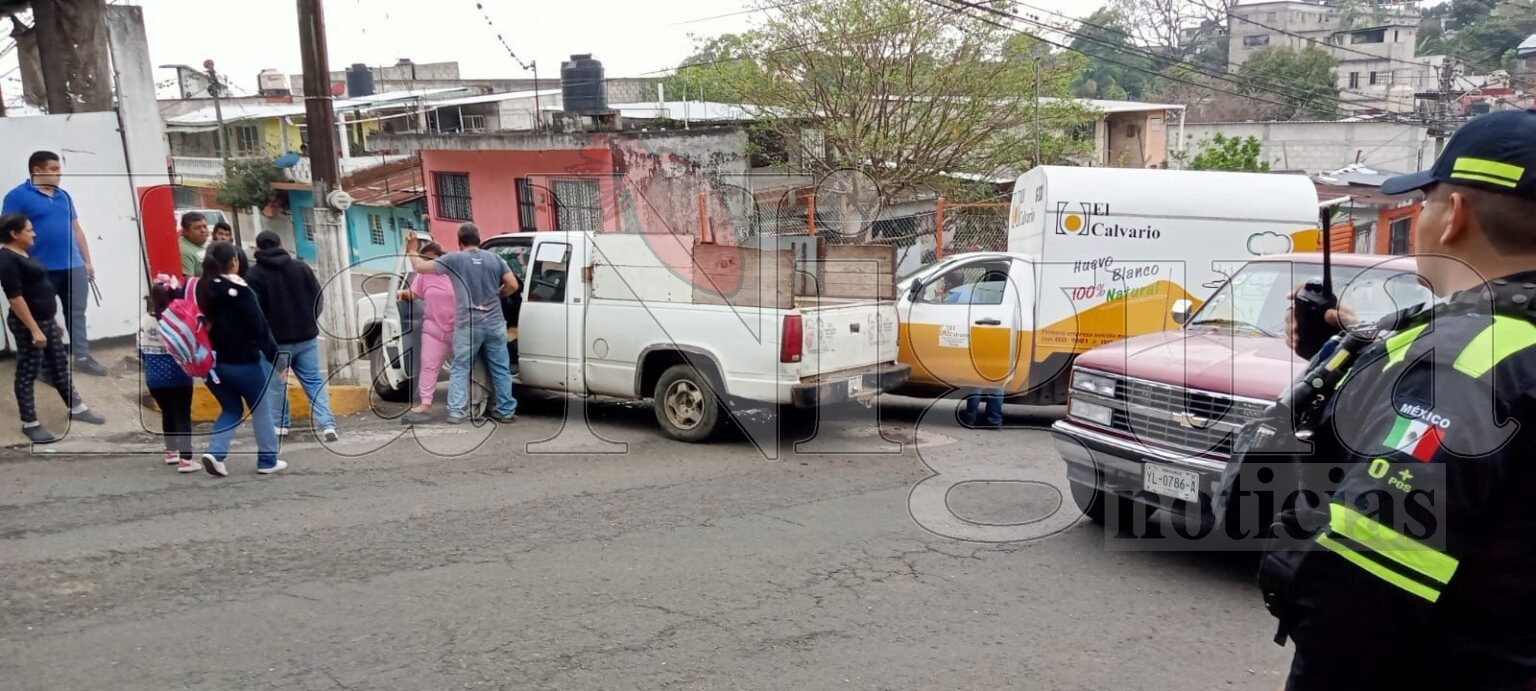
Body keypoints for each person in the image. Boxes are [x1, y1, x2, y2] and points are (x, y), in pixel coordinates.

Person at [1264, 109, 1536, 688]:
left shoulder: (1466, 363)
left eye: (1425, 202)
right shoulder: (1491, 342)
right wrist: (1348, 351)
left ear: (1453, 215)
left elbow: (1360, 588)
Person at [0, 213, 105, 443]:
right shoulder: (7, 259)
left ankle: (77, 408)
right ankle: (30, 423)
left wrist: (52, 322)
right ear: (14, 234)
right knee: (27, 372)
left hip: (45, 321)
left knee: (59, 365)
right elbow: (15, 298)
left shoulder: (23, 252)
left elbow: (37, 288)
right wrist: (35, 329)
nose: (34, 233)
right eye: (28, 230)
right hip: (29, 325)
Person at [1, 151, 106, 376]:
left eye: (59, 170)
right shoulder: (17, 197)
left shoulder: (64, 196)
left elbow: (76, 229)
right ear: (37, 171)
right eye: (54, 170)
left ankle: (83, 356)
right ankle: (43, 363)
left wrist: (87, 261)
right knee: (42, 316)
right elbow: (9, 234)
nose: (59, 175)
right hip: (40, 269)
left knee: (77, 312)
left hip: (73, 266)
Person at [405, 223, 518, 424]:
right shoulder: (495, 259)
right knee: (500, 368)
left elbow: (420, 267)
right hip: (494, 322)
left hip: (468, 324)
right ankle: (505, 411)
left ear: (459, 242)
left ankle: (457, 412)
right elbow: (513, 284)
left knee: (460, 367)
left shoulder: (454, 259)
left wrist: (412, 251)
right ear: (479, 240)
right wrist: (497, 295)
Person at [195, 241, 286, 476]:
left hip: (212, 365)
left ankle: (215, 453)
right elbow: (260, 328)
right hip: (244, 362)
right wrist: (277, 360)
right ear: (234, 262)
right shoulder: (241, 291)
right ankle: (267, 460)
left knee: (231, 409)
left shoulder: (201, 287)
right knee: (260, 409)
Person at [245, 231, 337, 441]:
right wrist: (309, 321)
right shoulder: (301, 268)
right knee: (313, 381)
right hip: (306, 340)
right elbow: (318, 299)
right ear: (281, 244)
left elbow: (254, 312)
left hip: (276, 345)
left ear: (257, 249)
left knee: (277, 383)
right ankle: (327, 424)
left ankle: (280, 425)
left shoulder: (254, 275)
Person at [140, 274, 199, 472]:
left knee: (167, 413)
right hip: (178, 375)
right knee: (182, 415)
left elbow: (140, 349)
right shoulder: (176, 319)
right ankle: (186, 459)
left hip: (154, 377)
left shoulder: (144, 321)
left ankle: (171, 452)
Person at [398, 241, 456, 424]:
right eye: (425, 259)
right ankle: (425, 403)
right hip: (433, 329)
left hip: (459, 328)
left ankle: (462, 404)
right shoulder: (423, 276)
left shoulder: (455, 271)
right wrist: (401, 294)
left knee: (464, 368)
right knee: (428, 365)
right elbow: (413, 293)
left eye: (432, 258)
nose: (428, 262)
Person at [178, 211, 209, 278]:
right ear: (185, 232)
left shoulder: (206, 243)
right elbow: (189, 283)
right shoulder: (184, 251)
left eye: (205, 226)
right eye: (198, 228)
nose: (203, 230)